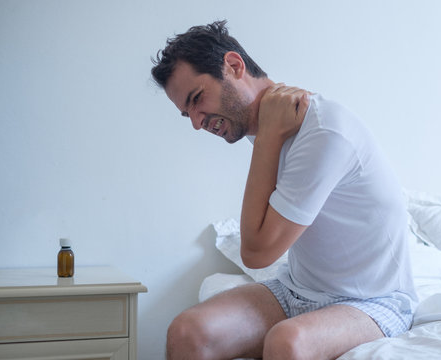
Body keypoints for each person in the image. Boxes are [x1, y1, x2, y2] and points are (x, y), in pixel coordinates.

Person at [151, 20, 417, 360]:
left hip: (373, 301)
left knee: (287, 342)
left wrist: (267, 138)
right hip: (298, 290)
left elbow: (257, 253)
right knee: (186, 332)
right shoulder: (270, 127)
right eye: (187, 113)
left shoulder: (322, 130)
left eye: (197, 99)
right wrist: (268, 136)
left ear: (233, 66)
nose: (197, 122)